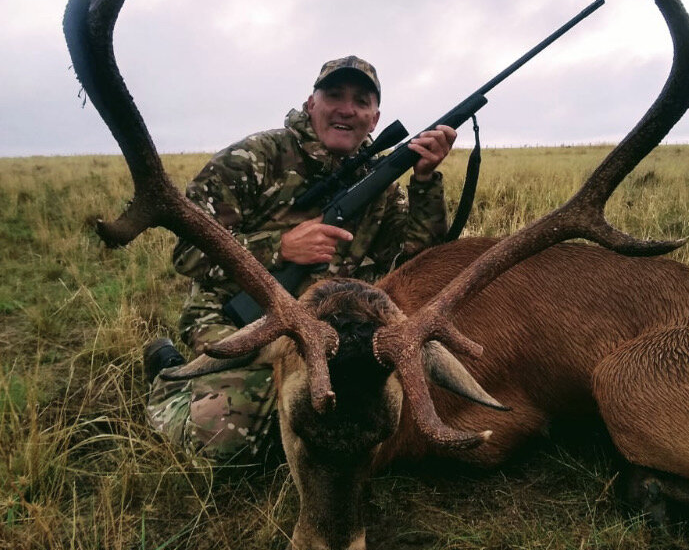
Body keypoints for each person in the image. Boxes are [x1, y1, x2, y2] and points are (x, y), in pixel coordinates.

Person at [145, 56, 456, 466]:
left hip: (326, 326)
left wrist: (424, 181)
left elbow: (416, 260)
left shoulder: (379, 182)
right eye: (334, 96)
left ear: (375, 118)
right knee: (229, 437)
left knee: (344, 405)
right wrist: (279, 248)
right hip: (234, 314)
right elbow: (186, 252)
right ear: (311, 104)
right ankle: (167, 376)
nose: (347, 109)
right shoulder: (253, 158)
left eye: (361, 101)